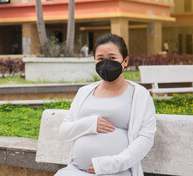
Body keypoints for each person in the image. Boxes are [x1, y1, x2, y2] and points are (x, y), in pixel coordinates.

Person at [54, 33, 157, 176]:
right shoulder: (84, 92)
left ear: (125, 61)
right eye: (100, 59)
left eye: (112, 58)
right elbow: (65, 131)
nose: (106, 63)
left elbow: (145, 139)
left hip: (117, 172)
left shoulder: (140, 95)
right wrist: (90, 124)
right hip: (75, 171)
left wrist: (110, 165)